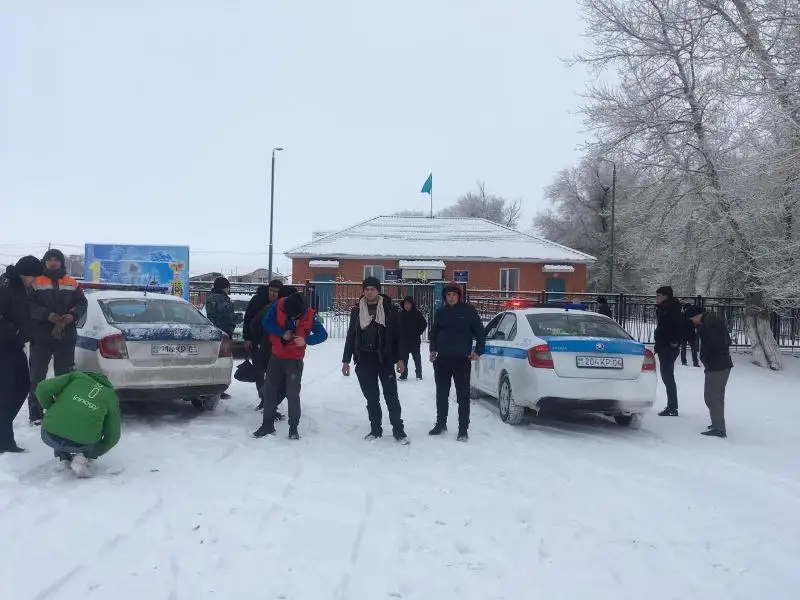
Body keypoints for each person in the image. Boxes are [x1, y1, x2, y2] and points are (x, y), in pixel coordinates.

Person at [342, 277, 409, 443]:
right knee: (371, 398)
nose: (369, 292)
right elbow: (351, 335)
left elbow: (400, 336)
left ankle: (398, 430)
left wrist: (401, 359)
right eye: (367, 289)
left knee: (391, 397)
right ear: (363, 291)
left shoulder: (390, 309)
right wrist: (346, 360)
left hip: (384, 359)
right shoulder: (357, 310)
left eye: (373, 289)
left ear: (378, 290)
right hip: (364, 359)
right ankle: (375, 429)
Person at [253, 292, 328, 440]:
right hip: (276, 357)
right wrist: (281, 333)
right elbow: (266, 322)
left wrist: (306, 340)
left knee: (292, 394)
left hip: (295, 360)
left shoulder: (310, 315)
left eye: (295, 316)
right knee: (269, 391)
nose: (291, 318)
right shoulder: (279, 305)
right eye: (289, 315)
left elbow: (323, 334)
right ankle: (267, 425)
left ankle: (293, 428)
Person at [27, 248, 88, 425]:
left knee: (64, 376)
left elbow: (82, 302)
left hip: (66, 334)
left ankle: (63, 411)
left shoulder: (72, 282)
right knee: (37, 375)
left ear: (61, 262)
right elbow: (29, 304)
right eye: (50, 260)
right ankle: (36, 413)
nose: (53, 262)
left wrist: (72, 315)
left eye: (56, 260)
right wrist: (47, 315)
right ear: (44, 262)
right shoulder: (36, 282)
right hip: (41, 335)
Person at [428, 282, 486, 441]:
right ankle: (441, 423)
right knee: (441, 394)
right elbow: (433, 333)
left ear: (459, 296)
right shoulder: (441, 312)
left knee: (463, 396)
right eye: (448, 295)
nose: (451, 297)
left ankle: (463, 429)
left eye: (454, 294)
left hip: (462, 360)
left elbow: (480, 333)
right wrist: (432, 349)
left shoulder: (468, 311)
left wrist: (478, 351)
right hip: (442, 360)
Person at [35, 371, 121, 477]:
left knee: (62, 420)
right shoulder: (110, 396)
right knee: (93, 427)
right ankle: (82, 457)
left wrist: (49, 406)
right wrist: (93, 453)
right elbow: (112, 436)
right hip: (81, 443)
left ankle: (63, 459)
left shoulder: (76, 377)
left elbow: (42, 387)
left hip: (49, 435)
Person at [0, 256, 44, 453]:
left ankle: (4, 434)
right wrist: (16, 331)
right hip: (4, 346)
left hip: (15, 346)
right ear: (25, 273)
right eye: (33, 277)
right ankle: (4, 440)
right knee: (7, 392)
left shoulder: (20, 286)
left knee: (22, 386)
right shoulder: (6, 286)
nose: (34, 281)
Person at [685, 306, 733, 438]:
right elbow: (726, 341)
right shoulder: (713, 320)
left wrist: (706, 358)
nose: (693, 322)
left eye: (692, 319)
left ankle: (719, 429)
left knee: (711, 397)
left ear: (697, 315)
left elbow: (712, 344)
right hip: (722, 363)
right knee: (717, 397)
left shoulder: (708, 324)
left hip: (717, 365)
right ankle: (717, 423)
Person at [243, 281, 281, 409]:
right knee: (259, 373)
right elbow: (248, 318)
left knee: (271, 372)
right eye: (271, 290)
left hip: (273, 343)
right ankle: (263, 399)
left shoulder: (280, 303)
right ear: (268, 290)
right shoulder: (257, 300)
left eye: (276, 292)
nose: (273, 294)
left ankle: (270, 399)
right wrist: (247, 337)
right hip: (256, 341)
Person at [204, 276, 242, 399]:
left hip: (214, 332)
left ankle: (212, 387)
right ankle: (218, 388)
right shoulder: (221, 299)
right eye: (227, 286)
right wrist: (239, 318)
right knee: (222, 361)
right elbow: (228, 316)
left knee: (214, 361)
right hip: (223, 333)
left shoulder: (211, 297)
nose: (229, 289)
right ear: (223, 287)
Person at [654, 286, 683, 416]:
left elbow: (675, 327)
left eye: (658, 296)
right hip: (665, 346)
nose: (656, 298)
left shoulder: (670, 309)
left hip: (668, 347)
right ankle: (672, 406)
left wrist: (674, 342)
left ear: (665, 296)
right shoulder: (666, 308)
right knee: (667, 376)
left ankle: (672, 407)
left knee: (668, 376)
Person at [397, 295, 427, 381]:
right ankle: (403, 375)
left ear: (412, 305)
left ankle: (419, 374)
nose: (407, 306)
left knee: (417, 358)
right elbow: (396, 326)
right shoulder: (400, 314)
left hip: (414, 341)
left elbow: (424, 324)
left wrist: (418, 331)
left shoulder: (417, 314)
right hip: (403, 341)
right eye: (405, 304)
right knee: (403, 359)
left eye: (408, 304)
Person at [680, 303, 700, 367]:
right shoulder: (684, 315)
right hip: (688, 334)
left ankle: (690, 362)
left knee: (687, 349)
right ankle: (692, 362)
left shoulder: (686, 315)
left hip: (688, 334)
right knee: (687, 349)